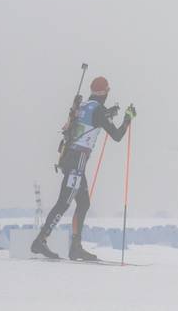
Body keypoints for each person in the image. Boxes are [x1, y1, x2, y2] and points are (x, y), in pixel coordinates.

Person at [31, 75, 135, 261]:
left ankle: (76, 247)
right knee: (64, 202)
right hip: (77, 161)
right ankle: (41, 240)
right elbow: (117, 135)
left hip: (70, 158)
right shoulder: (99, 111)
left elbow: (92, 120)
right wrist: (128, 119)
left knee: (84, 203)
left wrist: (109, 114)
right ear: (105, 92)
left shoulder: (85, 106)